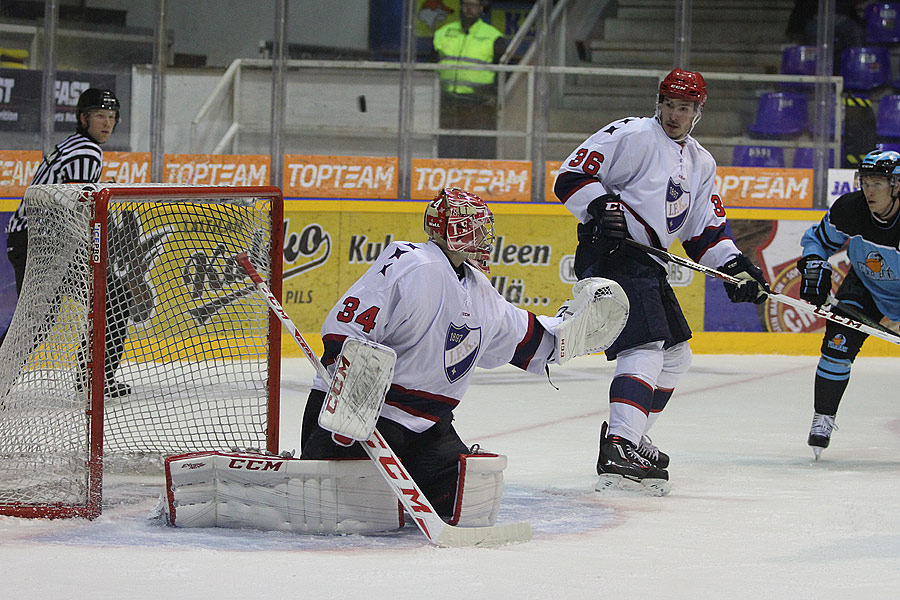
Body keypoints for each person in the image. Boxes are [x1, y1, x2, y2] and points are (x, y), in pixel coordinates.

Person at [299, 187, 628, 519]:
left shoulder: (480, 290)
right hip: (354, 418)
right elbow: (345, 328)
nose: (485, 235)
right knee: (346, 512)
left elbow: (524, 339)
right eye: (476, 225)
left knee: (462, 501)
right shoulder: (411, 262)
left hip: (427, 425)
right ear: (452, 228)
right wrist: (351, 409)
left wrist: (568, 335)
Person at [553, 68, 770, 494]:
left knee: (676, 356)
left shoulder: (701, 162)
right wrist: (603, 208)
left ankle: (630, 436)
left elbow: (703, 231)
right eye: (669, 104)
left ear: (697, 112)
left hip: (646, 262)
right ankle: (620, 443)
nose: (674, 114)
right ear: (659, 103)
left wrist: (735, 265)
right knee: (645, 346)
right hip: (612, 253)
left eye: (684, 107)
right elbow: (570, 177)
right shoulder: (631, 134)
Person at [2, 88, 131, 397]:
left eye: (112, 117)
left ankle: (94, 378)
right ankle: (93, 379)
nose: (107, 123)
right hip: (43, 244)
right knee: (38, 321)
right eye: (100, 115)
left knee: (110, 296)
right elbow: (75, 205)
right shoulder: (87, 151)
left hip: (38, 240)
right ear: (83, 118)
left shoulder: (74, 145)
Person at [798, 149, 900, 459]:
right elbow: (817, 240)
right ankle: (824, 416)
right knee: (836, 345)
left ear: (897, 185)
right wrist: (815, 263)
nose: (869, 190)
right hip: (865, 286)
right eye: (865, 181)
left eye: (878, 183)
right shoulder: (851, 209)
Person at [432, 0, 507, 159]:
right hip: (447, 102)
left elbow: (504, 72)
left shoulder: (493, 36)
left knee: (479, 149)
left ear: (481, 9)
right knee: (448, 148)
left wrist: (495, 95)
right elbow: (429, 67)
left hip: (479, 103)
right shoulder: (443, 32)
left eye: (473, 5)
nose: (468, 9)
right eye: (465, 4)